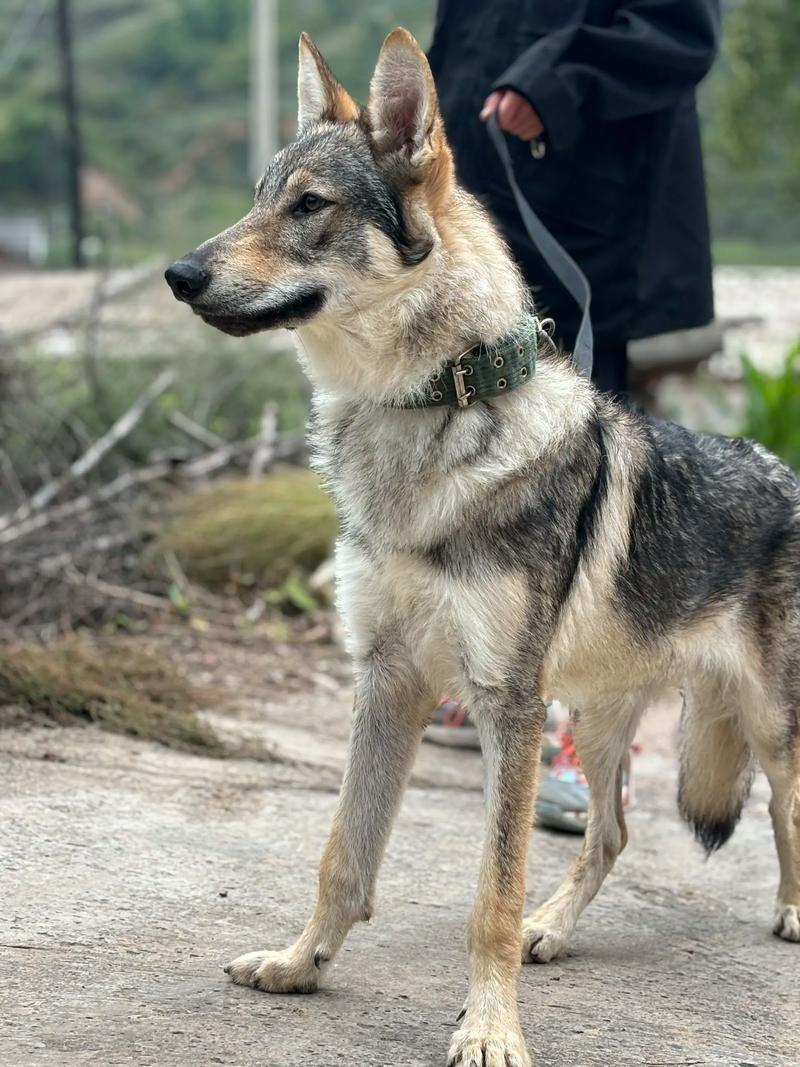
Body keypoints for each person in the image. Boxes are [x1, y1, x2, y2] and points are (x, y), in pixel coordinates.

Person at [423, 0, 721, 828]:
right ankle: (480, 682)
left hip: (580, 200)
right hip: (475, 203)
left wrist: (553, 84)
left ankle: (584, 739)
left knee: (578, 497)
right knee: (478, 458)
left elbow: (682, 32)